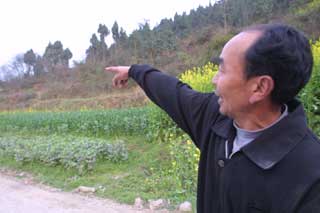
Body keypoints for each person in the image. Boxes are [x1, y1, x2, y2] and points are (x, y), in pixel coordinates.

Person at [105, 24, 320, 213]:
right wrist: (134, 71)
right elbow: (174, 93)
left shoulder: (310, 177)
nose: (214, 79)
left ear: (260, 87)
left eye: (223, 69)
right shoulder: (216, 118)